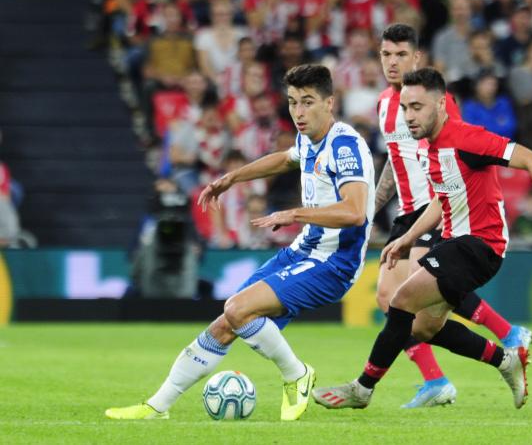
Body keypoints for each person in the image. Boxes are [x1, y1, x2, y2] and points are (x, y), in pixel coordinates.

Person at [105, 64, 376, 421]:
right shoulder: (309, 139)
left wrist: (293, 215)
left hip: (334, 263)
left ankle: (297, 375)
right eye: (293, 102)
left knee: (237, 309)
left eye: (308, 102)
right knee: (226, 321)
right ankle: (158, 406)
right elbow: (283, 159)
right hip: (303, 252)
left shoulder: (344, 145)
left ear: (330, 103)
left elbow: (355, 211)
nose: (298, 111)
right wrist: (231, 178)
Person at [313, 67, 532, 410]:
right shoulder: (429, 147)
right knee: (424, 329)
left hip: (481, 245)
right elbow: (443, 200)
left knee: (401, 299)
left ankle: (362, 388)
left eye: (418, 107)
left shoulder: (469, 139)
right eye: (406, 108)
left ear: (441, 105)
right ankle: (505, 360)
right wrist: (408, 237)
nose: (409, 116)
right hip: (453, 244)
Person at [372, 24, 532, 409]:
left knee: (410, 301)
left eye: (400, 55)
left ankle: (492, 347)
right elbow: (396, 162)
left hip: (437, 208)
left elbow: (460, 149)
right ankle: (496, 345)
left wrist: (453, 209)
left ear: (416, 59)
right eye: (386, 55)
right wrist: (371, 207)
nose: (392, 62)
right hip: (406, 211)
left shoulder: (437, 103)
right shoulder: (382, 105)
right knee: (393, 300)